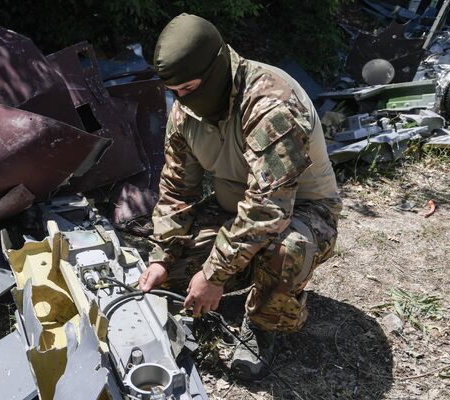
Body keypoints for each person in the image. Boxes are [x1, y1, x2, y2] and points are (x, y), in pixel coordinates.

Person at [138, 13, 342, 380]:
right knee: (168, 278)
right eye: (175, 92)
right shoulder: (184, 111)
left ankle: (263, 325)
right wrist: (162, 257)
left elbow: (269, 208)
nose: (183, 100)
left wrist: (214, 275)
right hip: (234, 210)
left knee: (286, 251)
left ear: (216, 69)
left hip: (302, 211)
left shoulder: (271, 103)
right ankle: (244, 268)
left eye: (189, 89)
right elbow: (175, 191)